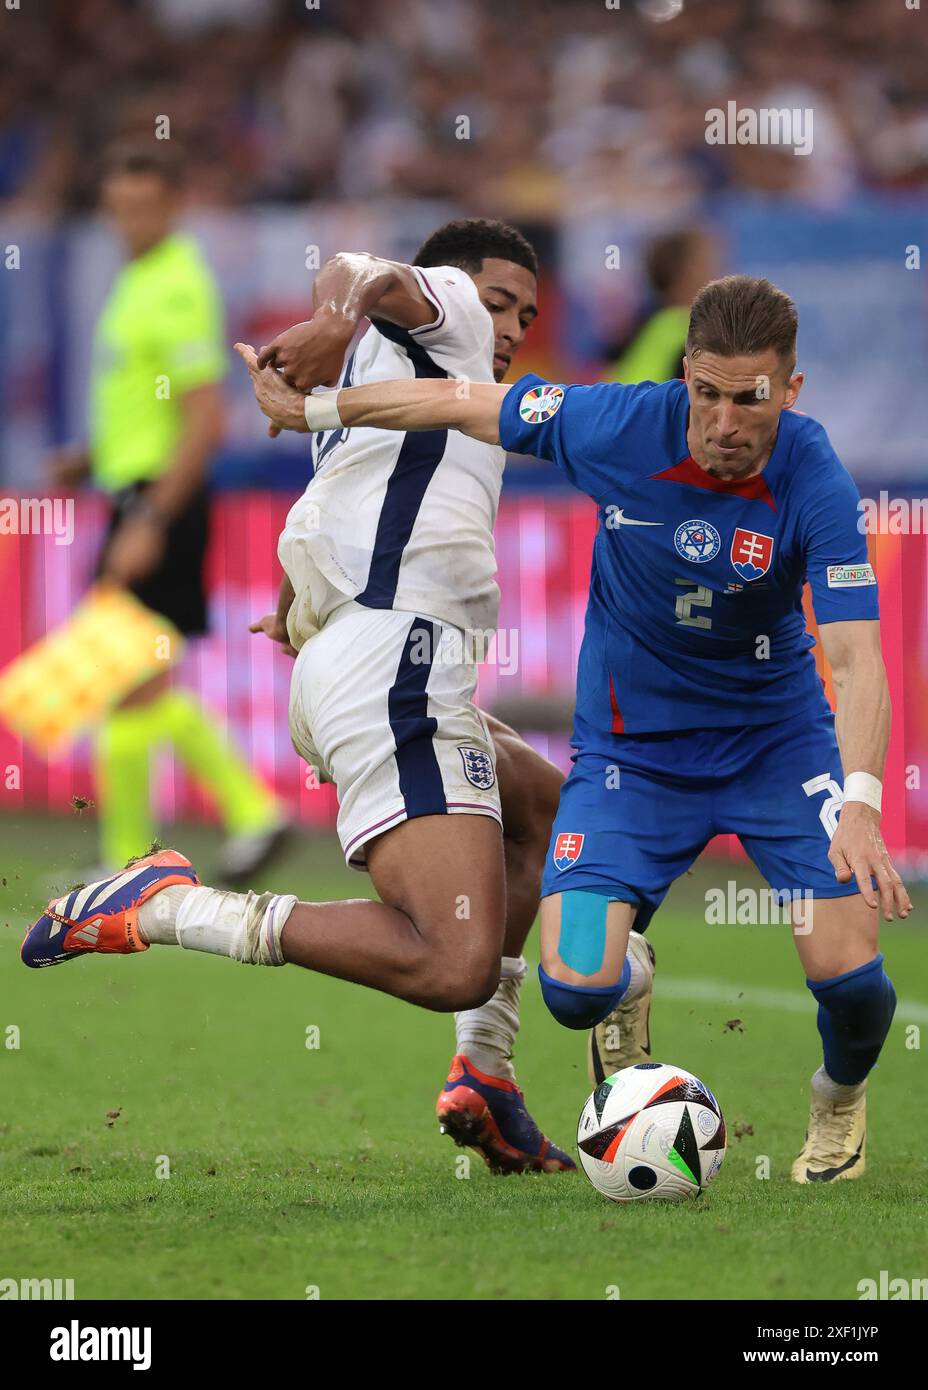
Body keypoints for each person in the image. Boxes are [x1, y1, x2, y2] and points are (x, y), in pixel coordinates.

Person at [215, 273, 909, 1184]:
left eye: (752, 399)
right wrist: (317, 407)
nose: (727, 421)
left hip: (776, 747)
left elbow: (857, 661)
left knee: (850, 979)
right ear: (685, 377)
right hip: (633, 758)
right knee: (574, 991)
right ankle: (630, 981)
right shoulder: (620, 424)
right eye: (707, 393)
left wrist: (860, 802)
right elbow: (460, 399)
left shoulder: (813, 475)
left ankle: (837, 1101)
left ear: (790, 390)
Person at [23, 218, 657, 1174]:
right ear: (451, 288)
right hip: (394, 659)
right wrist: (331, 314)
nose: (513, 324)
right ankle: (167, 905)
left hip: (380, 659)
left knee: (544, 812)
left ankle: (484, 1076)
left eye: (528, 311)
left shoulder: (406, 391)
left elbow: (338, 500)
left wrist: (294, 600)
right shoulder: (440, 321)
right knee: (452, 962)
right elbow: (361, 268)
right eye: (499, 301)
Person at [46, 144, 286, 884]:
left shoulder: (177, 284)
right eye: (118, 209)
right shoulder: (139, 278)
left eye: (143, 208)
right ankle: (151, 846)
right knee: (129, 675)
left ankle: (242, 816)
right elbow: (152, 406)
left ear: (174, 205)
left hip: (160, 503)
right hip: (134, 491)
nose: (128, 222)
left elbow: (204, 420)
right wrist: (90, 457)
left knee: (128, 674)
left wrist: (150, 519)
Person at [607, 228, 717, 385]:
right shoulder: (686, 331)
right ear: (685, 274)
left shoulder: (648, 326)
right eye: (706, 263)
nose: (717, 271)